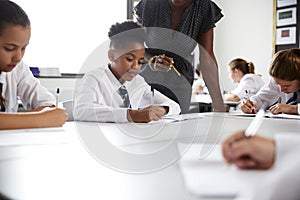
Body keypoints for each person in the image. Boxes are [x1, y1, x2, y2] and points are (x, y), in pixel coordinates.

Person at [73, 21, 181, 123]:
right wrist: (130, 115)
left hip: (130, 139)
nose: (136, 66)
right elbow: (81, 111)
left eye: (140, 62)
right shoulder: (94, 78)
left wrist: (162, 110)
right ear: (112, 55)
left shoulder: (138, 82)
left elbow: (175, 106)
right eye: (129, 59)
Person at [133, 0, 225, 113]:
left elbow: (207, 59)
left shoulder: (203, 8)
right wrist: (152, 60)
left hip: (180, 82)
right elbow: (135, 46)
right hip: (146, 79)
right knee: (143, 122)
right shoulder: (149, 4)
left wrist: (219, 105)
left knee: (176, 124)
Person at [0, 1, 68, 130]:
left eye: (23, 48)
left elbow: (47, 103)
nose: (18, 57)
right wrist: (41, 119)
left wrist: (45, 115)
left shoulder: (18, 68)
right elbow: (47, 116)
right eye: (9, 48)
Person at [242, 48, 300, 115]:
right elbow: (261, 98)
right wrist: (251, 104)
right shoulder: (279, 79)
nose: (281, 89)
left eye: (286, 86)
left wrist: (294, 108)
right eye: (278, 84)